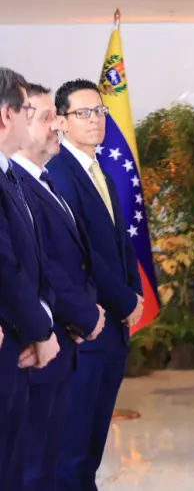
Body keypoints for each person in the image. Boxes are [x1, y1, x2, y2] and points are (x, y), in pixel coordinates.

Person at [46, 79, 143, 491]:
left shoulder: (99, 170)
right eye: (82, 113)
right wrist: (124, 300)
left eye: (99, 111)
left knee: (92, 443)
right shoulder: (60, 173)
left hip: (113, 328)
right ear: (60, 122)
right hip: (88, 326)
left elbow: (121, 243)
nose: (94, 120)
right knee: (72, 446)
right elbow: (80, 253)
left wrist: (136, 292)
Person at [12, 83, 106, 491]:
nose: (57, 126)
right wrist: (80, 315)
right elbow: (36, 265)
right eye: (46, 118)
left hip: (62, 338)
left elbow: (80, 258)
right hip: (37, 344)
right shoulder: (16, 185)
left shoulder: (45, 180)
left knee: (53, 461)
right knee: (33, 467)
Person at [0, 69, 59, 491]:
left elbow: (33, 260)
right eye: (26, 109)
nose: (32, 118)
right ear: (6, 115)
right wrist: (41, 330)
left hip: (19, 340)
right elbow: (6, 266)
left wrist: (42, 326)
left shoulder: (9, 177)